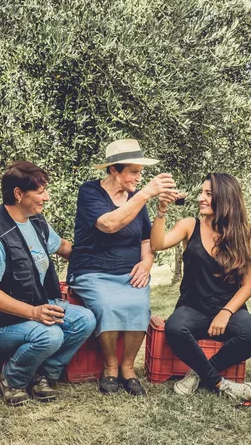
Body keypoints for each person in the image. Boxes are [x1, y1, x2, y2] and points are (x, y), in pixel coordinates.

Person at [0, 161, 96, 406]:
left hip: (33, 308)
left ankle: (43, 375)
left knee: (84, 319)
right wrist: (34, 313)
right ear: (18, 194)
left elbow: (65, 248)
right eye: (40, 191)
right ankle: (11, 380)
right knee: (51, 335)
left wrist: (105, 255)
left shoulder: (36, 221)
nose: (46, 197)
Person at [68, 139, 176, 396]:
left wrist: (147, 263)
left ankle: (128, 369)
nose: (139, 177)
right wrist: (146, 193)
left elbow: (147, 239)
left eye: (140, 172)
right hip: (91, 270)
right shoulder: (90, 192)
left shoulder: (136, 200)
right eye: (133, 172)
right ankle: (110, 368)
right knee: (108, 304)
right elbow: (108, 224)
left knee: (138, 304)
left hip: (128, 271)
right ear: (114, 170)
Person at [150, 173, 251, 400]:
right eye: (202, 192)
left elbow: (247, 287)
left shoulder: (245, 235)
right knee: (174, 327)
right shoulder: (189, 225)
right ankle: (219, 383)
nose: (201, 197)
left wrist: (226, 312)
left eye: (208, 194)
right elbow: (157, 243)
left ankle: (197, 374)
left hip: (229, 309)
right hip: (193, 308)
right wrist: (161, 210)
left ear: (225, 198)